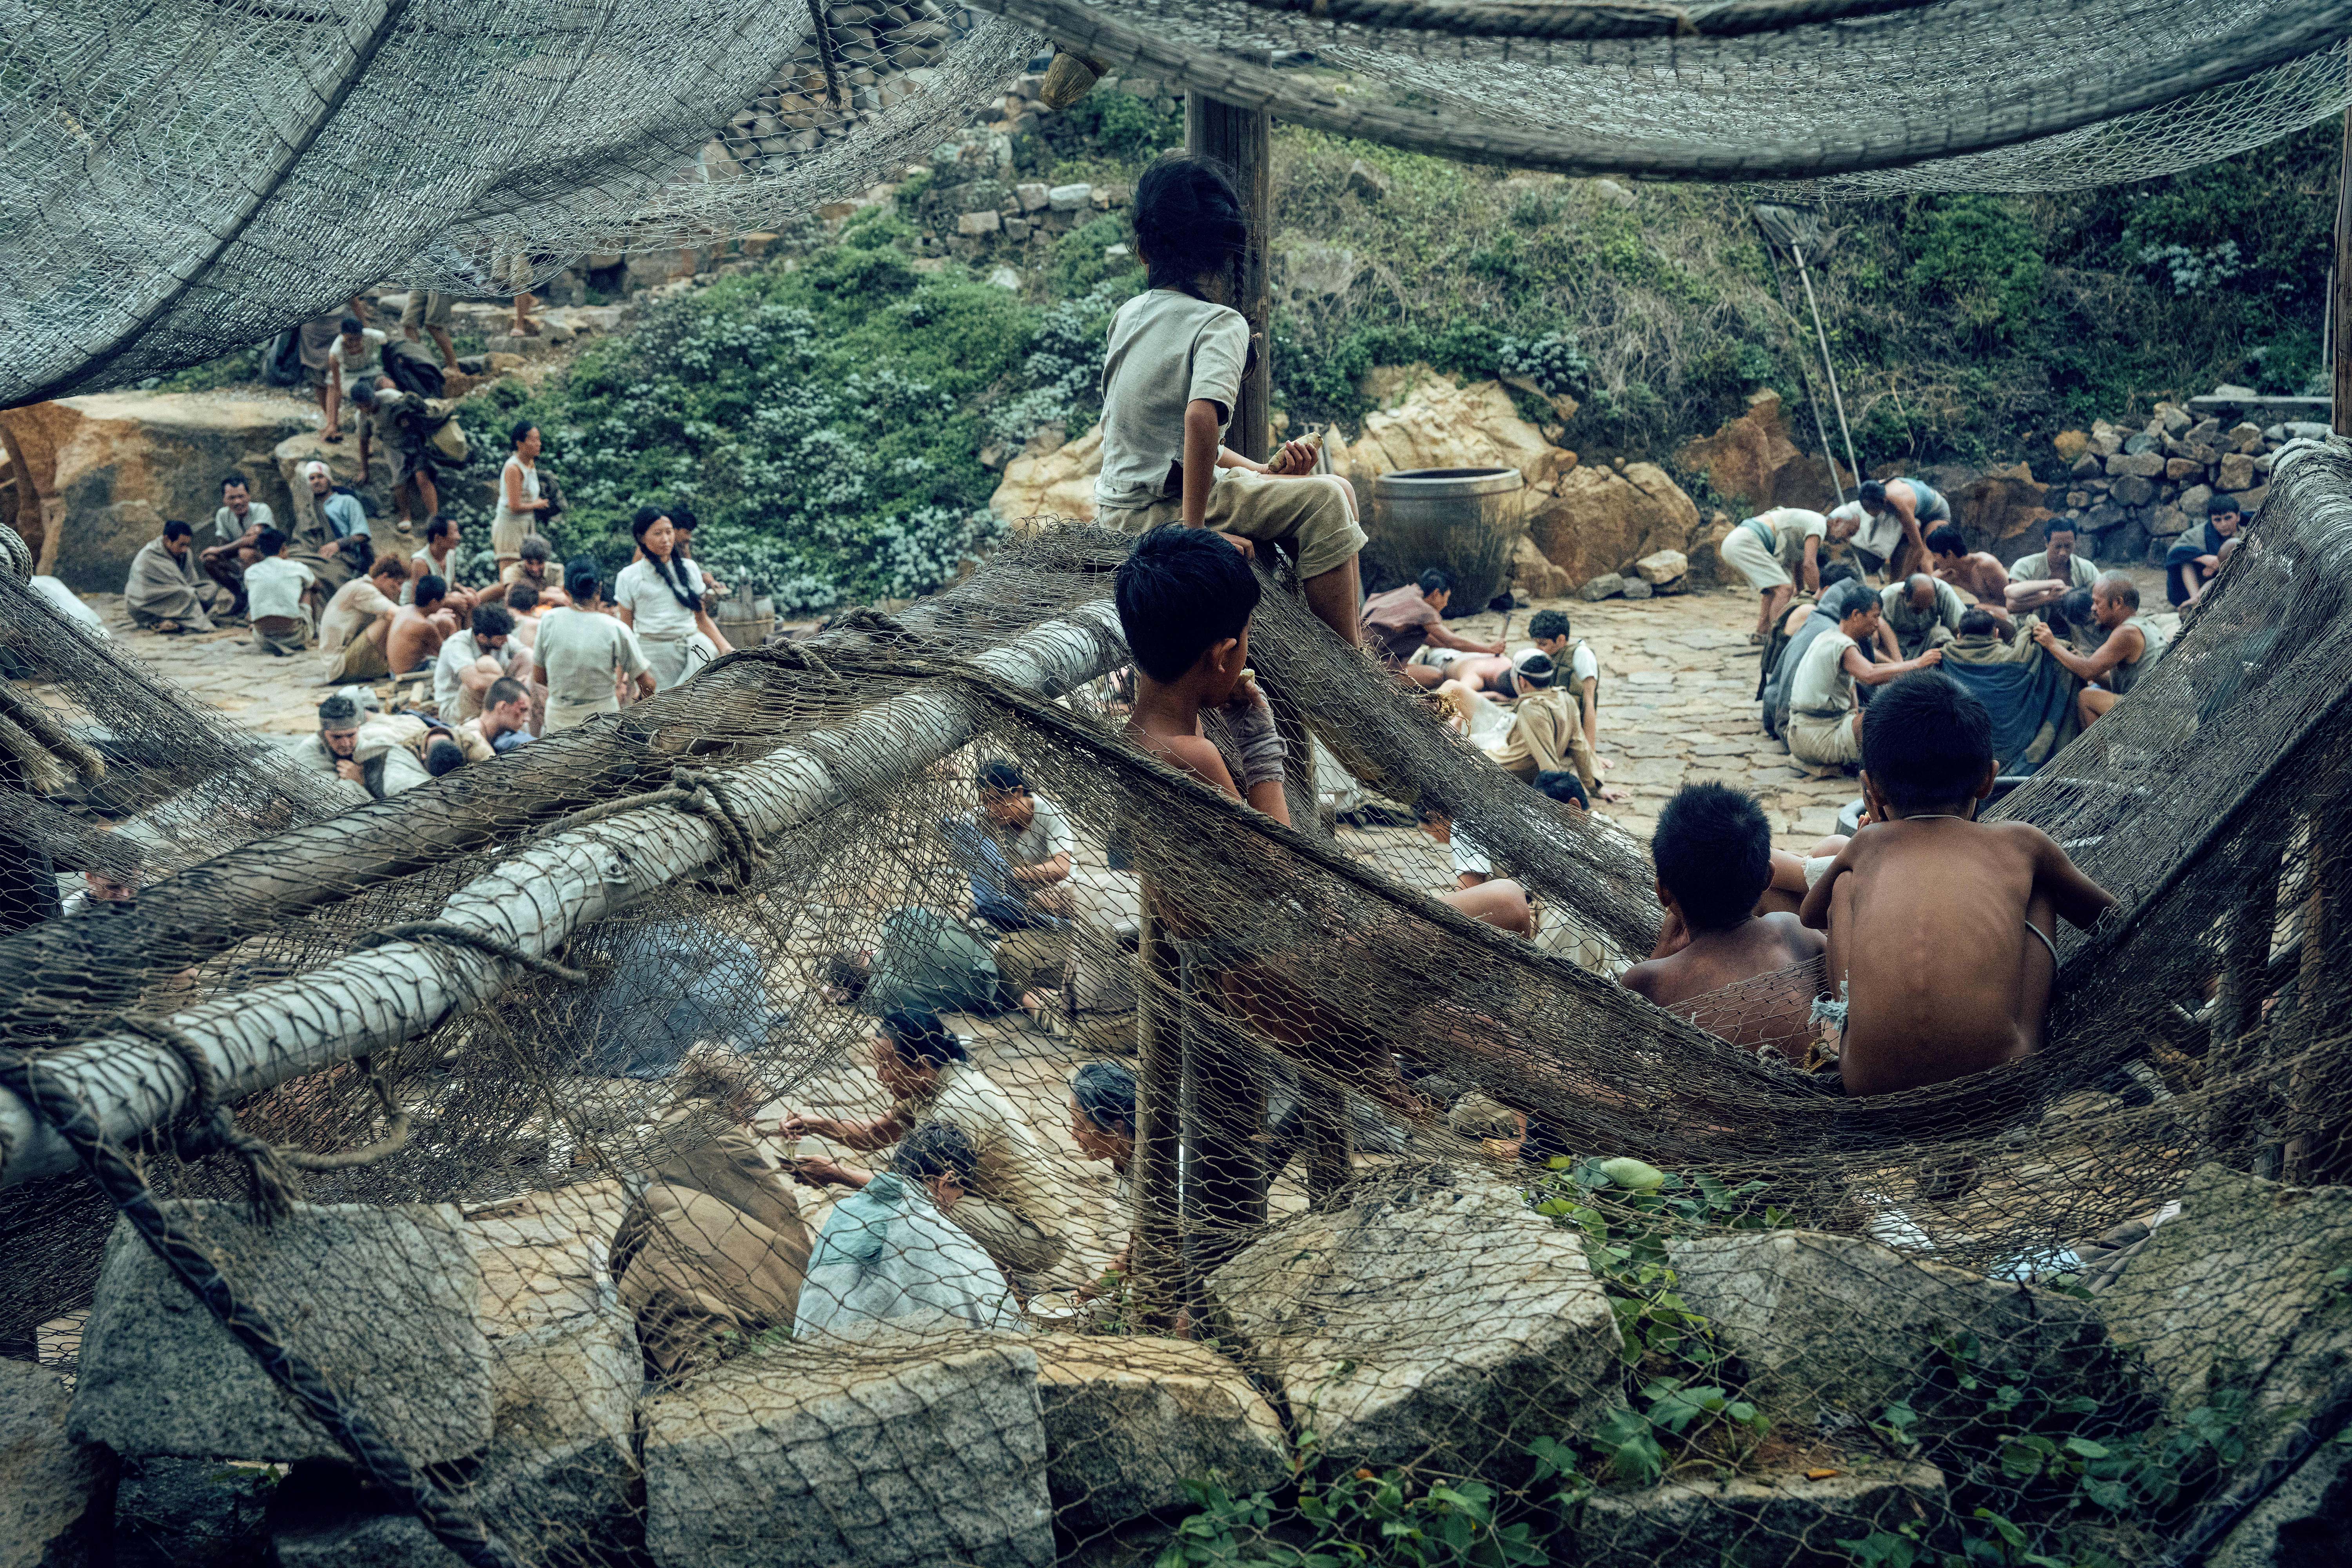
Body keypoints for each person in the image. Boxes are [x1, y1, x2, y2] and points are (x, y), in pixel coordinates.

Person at [1091, 153, 1367, 649]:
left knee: (1340, 490)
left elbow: (1172, 437)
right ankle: (1352, 668)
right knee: (1327, 501)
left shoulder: (1129, 315)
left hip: (1122, 505)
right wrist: (1194, 540)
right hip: (1162, 516)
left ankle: (1343, 649)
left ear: (1143, 250)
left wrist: (1262, 472)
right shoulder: (1220, 322)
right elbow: (1199, 420)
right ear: (1223, 255)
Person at [1800, 673, 2116, 1096]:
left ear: (1871, 788)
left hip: (1867, 1082)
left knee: (1843, 889)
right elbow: (2107, 917)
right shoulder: (2020, 841)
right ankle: (2029, 1036)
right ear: (1989, 779)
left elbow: (1809, 915)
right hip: (2003, 1080)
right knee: (2040, 886)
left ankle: (1842, 1033)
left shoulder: (1866, 844)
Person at [780, 1009, 1067, 1290]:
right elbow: (875, 1134)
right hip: (998, 1211)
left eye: (886, 1065)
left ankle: (999, 1285)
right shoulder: (931, 1081)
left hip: (1037, 1238)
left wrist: (834, 1173)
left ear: (921, 1065)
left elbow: (912, 1191)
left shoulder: (956, 1105)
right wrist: (816, 1124)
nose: (880, 1077)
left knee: (922, 1208)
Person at [609, 1060, 810, 1381]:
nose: (753, 1116)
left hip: (648, 1260)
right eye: (748, 1105)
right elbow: (772, 1207)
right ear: (729, 1099)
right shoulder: (714, 1131)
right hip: (682, 1252)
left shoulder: (659, 1128)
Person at [1621, 784, 1825, 1064]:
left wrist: (1660, 953)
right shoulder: (1793, 931)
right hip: (1812, 1094)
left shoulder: (1646, 979)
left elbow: (1614, 1052)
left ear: (1663, 893)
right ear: (1768, 878)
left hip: (1709, 1106)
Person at [792, 1123, 1023, 1337]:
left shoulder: (846, 1211)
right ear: (946, 1180)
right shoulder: (931, 1227)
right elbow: (1002, 1321)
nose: (951, 1208)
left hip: (814, 1343)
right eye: (955, 1197)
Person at [1784, 593, 1945, 769]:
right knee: (1889, 718)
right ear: (1856, 615)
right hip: (1817, 737)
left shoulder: (1827, 636)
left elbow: (1852, 688)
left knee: (1870, 715)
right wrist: (1917, 664)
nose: (1877, 624)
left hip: (1802, 732)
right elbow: (1870, 674)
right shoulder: (1841, 643)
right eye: (1875, 617)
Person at [824, 906, 1040, 1020]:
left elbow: (863, 1002)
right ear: (865, 951)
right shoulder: (897, 925)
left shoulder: (883, 996)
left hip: (1005, 989)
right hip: (1008, 945)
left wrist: (840, 993)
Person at [2030, 571, 2167, 729]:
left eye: (2097, 602)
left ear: (2117, 603)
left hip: (2160, 716)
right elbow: (2114, 681)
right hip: (2164, 709)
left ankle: (2100, 754)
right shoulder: (2143, 624)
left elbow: (2088, 671)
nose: (2093, 609)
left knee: (2087, 698)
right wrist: (2079, 660)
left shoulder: (2127, 632)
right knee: (2094, 688)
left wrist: (2052, 644)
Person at [615, 507, 732, 689]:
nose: (666, 539)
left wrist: (727, 649)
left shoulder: (690, 568)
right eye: (658, 533)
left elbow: (701, 619)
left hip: (696, 652)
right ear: (641, 538)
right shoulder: (628, 577)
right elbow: (627, 632)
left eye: (669, 532)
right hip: (653, 658)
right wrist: (621, 677)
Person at [536, 559, 655, 731]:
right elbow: (648, 684)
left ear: (565, 591)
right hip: (603, 725)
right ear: (599, 589)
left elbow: (540, 677)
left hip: (558, 726)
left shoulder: (549, 621)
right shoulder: (616, 628)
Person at [1492, 653, 1626, 803]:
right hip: (1531, 768)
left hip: (1512, 771)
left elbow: (1546, 758)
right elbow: (1580, 745)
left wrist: (1556, 797)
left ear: (1522, 681)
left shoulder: (1530, 708)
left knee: (1470, 758)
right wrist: (1595, 787)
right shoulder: (1565, 698)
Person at [960, 759, 1077, 927]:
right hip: (1012, 893)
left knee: (1047, 904)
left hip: (1057, 890)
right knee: (980, 914)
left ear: (1018, 792)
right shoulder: (986, 816)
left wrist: (1008, 874)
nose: (992, 809)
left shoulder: (1050, 813)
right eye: (985, 802)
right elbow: (951, 825)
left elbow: (1062, 867)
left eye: (998, 800)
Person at [1066, 1061, 1139, 1296]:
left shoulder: (1156, 1174)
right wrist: (1100, 1284)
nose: (1073, 1135)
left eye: (1081, 1125)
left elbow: (1157, 1247)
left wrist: (1101, 1284)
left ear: (1116, 1128)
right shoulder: (1126, 1159)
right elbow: (1140, 1243)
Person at [1361, 570, 1505, 686]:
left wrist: (1471, 648)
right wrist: (1490, 648)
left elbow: (1428, 637)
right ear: (1436, 594)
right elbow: (1452, 642)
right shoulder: (1424, 610)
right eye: (1446, 597)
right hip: (1375, 666)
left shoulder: (1410, 592)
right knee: (1435, 676)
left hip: (1362, 651)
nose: (1446, 604)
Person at [1720, 506, 1833, 643]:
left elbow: (1799, 562)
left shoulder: (1804, 526)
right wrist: (1820, 600)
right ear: (1838, 522)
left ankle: (1762, 633)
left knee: (1772, 589)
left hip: (1738, 539)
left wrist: (1800, 589)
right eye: (1850, 532)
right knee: (1784, 589)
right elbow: (1809, 564)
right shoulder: (1820, 523)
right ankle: (1777, 640)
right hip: (1745, 541)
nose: (1847, 540)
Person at [349, 378, 444, 527]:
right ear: (359, 406)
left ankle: (435, 518)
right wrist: (364, 470)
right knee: (399, 480)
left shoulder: (391, 397)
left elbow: (414, 407)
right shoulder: (361, 417)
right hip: (392, 446)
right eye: (365, 405)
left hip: (412, 438)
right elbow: (364, 442)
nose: (371, 406)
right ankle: (405, 516)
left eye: (371, 401)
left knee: (421, 476)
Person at [319, 551, 413, 682]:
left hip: (343, 661)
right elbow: (397, 614)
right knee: (390, 619)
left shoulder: (366, 588)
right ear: (384, 577)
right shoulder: (363, 589)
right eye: (398, 583)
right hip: (339, 665)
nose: (400, 590)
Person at [433, 602, 528, 721]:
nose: (505, 641)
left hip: (490, 701)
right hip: (455, 707)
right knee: (486, 664)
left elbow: (528, 656)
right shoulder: (457, 644)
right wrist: (512, 685)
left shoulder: (502, 639)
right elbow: (475, 683)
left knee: (527, 656)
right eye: (500, 639)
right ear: (482, 637)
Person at [122, 520, 217, 633]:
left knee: (210, 588)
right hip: (146, 605)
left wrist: (193, 594)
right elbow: (183, 590)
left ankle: (173, 621)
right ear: (167, 540)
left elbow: (190, 582)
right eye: (181, 545)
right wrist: (190, 595)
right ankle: (165, 622)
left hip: (176, 595)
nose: (185, 549)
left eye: (187, 545)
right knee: (187, 595)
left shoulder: (185, 553)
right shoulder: (150, 555)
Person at [284, 694, 373, 806]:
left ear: (359, 728)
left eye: (351, 735)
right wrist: (356, 782)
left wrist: (362, 779)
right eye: (337, 737)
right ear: (323, 733)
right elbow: (325, 798)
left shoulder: (369, 746)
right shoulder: (310, 750)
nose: (345, 744)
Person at [1854, 477, 1949, 580]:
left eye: (1872, 509)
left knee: (1925, 560)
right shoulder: (1871, 490)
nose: (1869, 513)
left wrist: (1903, 580)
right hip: (1917, 514)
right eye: (1866, 508)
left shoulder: (1900, 507)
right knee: (1898, 557)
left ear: (1884, 502)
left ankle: (1933, 591)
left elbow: (1918, 549)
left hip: (1937, 513)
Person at [241, 528, 315, 655]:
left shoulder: (251, 572)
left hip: (262, 639)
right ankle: (312, 630)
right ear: (284, 548)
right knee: (308, 589)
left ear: (261, 550)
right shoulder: (297, 567)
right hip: (295, 638)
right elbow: (316, 586)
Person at [2005, 519, 2098, 615]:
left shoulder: (2087, 569)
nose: (2063, 553)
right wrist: (2047, 598)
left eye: (2068, 546)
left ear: (2075, 542)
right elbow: (2011, 606)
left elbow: (2102, 599)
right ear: (2047, 542)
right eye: (2057, 547)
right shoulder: (2025, 566)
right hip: (2032, 626)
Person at [2166, 493, 2243, 609]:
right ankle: (2195, 603)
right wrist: (2204, 558)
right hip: (2200, 582)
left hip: (2233, 581)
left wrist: (2219, 565)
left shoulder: (2248, 532)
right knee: (2185, 561)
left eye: (2228, 518)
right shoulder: (2199, 534)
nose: (2224, 524)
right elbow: (2174, 553)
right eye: (2217, 520)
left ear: (2238, 517)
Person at [491, 421, 550, 569]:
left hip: (527, 526)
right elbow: (514, 506)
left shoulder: (530, 464)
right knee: (509, 577)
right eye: (533, 440)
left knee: (527, 576)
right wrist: (537, 505)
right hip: (510, 527)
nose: (538, 444)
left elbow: (528, 496)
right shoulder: (514, 468)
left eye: (539, 439)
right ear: (520, 444)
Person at [321, 315, 387, 443]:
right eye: (350, 340)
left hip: (372, 371)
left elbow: (387, 347)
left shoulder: (376, 336)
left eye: (358, 339)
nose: (354, 343)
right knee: (333, 385)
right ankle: (333, 425)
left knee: (387, 385)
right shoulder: (336, 351)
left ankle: (385, 421)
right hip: (349, 376)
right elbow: (337, 383)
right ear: (343, 336)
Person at [1925, 525, 2013, 618]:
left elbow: (2011, 599)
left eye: (1935, 556)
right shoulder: (1949, 574)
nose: (1934, 560)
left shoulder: (1986, 565)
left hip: (2010, 613)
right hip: (1984, 616)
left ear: (1949, 554)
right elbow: (1925, 583)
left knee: (1978, 609)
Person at [1878, 572, 1967, 660]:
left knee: (1942, 634)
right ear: (1903, 594)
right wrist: (1898, 663)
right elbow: (1880, 633)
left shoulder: (1944, 591)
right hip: (1897, 648)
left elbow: (1959, 628)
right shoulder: (1888, 597)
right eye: (1917, 608)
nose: (1921, 612)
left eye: (1927, 607)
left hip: (1929, 644)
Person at [386, 573, 457, 677]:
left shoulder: (406, 609)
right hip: (407, 676)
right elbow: (445, 653)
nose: (444, 603)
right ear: (433, 602)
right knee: (454, 668)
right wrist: (453, 628)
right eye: (443, 600)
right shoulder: (425, 626)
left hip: (394, 672)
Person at [405, 514, 477, 611]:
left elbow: (451, 584)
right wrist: (449, 601)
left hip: (437, 604)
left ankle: (468, 627)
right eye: (455, 532)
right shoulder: (420, 562)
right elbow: (418, 600)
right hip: (416, 610)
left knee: (469, 599)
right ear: (438, 539)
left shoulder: (450, 554)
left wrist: (463, 589)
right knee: (456, 602)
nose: (458, 537)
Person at [1416, 802, 1494, 890]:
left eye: (1428, 831)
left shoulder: (1460, 830)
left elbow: (1468, 889)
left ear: (1434, 817)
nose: (1433, 836)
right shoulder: (1472, 816)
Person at [456, 675, 535, 759]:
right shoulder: (474, 739)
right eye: (522, 710)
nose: (527, 719)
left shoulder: (486, 735)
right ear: (503, 707)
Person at [490, 533, 570, 608]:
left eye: (540, 563)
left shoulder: (557, 570)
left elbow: (565, 599)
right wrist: (552, 596)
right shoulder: (512, 571)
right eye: (530, 563)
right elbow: (514, 598)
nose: (535, 569)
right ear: (524, 560)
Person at [667, 506, 725, 603]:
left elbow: (690, 571)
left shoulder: (683, 546)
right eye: (687, 533)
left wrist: (711, 582)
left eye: (691, 533)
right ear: (674, 530)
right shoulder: (655, 546)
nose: (689, 538)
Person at [400, 288, 459, 371]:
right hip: (419, 276)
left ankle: (454, 368)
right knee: (409, 323)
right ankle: (420, 367)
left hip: (440, 279)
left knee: (434, 325)